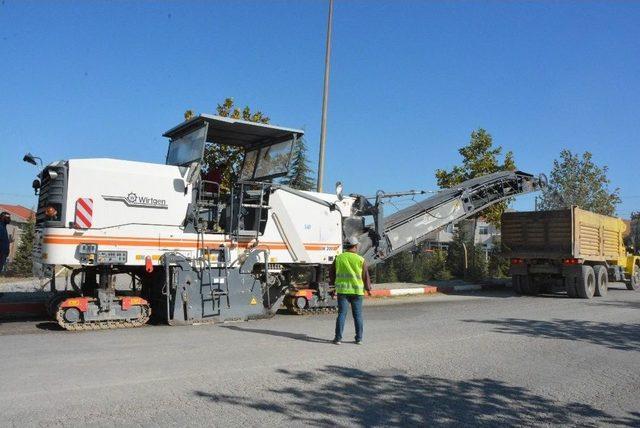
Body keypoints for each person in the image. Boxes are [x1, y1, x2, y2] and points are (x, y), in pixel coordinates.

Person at [330, 236, 372, 345]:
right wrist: (368, 289)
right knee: (357, 316)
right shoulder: (360, 260)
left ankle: (338, 339)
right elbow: (365, 276)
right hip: (357, 292)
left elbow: (332, 274)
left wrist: (333, 287)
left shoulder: (338, 258)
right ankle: (359, 339)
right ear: (356, 246)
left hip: (342, 291)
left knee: (341, 314)